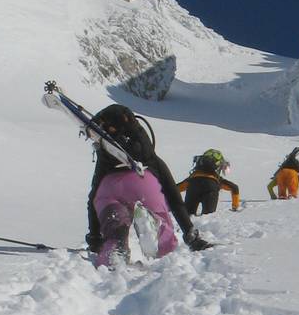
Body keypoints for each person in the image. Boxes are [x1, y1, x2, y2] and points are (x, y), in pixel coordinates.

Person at [85, 104, 212, 266]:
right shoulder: (151, 158)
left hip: (112, 185)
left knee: (115, 217)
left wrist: (95, 239)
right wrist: (190, 235)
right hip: (147, 184)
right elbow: (174, 198)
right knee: (154, 207)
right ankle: (151, 225)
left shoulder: (105, 162)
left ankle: (117, 247)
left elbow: (94, 199)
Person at [177, 149, 241, 215]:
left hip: (193, 185)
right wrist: (235, 206)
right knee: (207, 218)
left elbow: (176, 188)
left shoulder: (193, 177)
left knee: (187, 217)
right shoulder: (216, 179)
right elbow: (234, 188)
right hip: (211, 186)